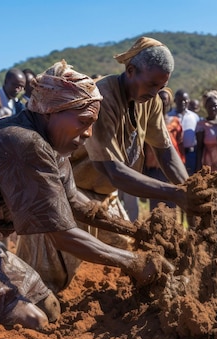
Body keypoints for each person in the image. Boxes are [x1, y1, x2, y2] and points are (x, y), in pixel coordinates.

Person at [0, 60, 175, 330]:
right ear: (50, 111)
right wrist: (134, 262)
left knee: (49, 308)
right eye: (83, 121)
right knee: (30, 321)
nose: (88, 133)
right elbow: (63, 234)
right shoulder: (22, 141)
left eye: (93, 123)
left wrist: (136, 231)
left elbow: (75, 204)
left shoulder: (53, 147)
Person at [72, 37, 202, 223]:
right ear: (131, 70)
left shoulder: (151, 101)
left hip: (106, 195)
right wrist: (175, 194)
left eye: (161, 87)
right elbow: (112, 170)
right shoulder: (102, 99)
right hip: (72, 191)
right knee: (80, 251)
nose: (155, 92)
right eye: (151, 84)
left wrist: (189, 190)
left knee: (125, 247)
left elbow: (164, 151)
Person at [143, 87, 184, 211]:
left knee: (171, 203)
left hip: (170, 167)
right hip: (153, 169)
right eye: (159, 99)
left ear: (169, 101)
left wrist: (180, 166)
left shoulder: (175, 122)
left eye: (165, 99)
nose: (162, 102)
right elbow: (143, 147)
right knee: (155, 204)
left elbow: (180, 145)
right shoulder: (148, 122)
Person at [169, 89, 200, 175]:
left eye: (185, 100)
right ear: (175, 101)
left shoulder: (195, 117)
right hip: (174, 154)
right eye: (179, 100)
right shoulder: (169, 117)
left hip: (191, 154)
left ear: (188, 101)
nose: (182, 102)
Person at [195, 90, 217, 171]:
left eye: (215, 106)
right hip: (210, 163)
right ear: (205, 108)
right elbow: (199, 148)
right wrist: (198, 166)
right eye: (210, 106)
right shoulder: (201, 125)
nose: (213, 108)